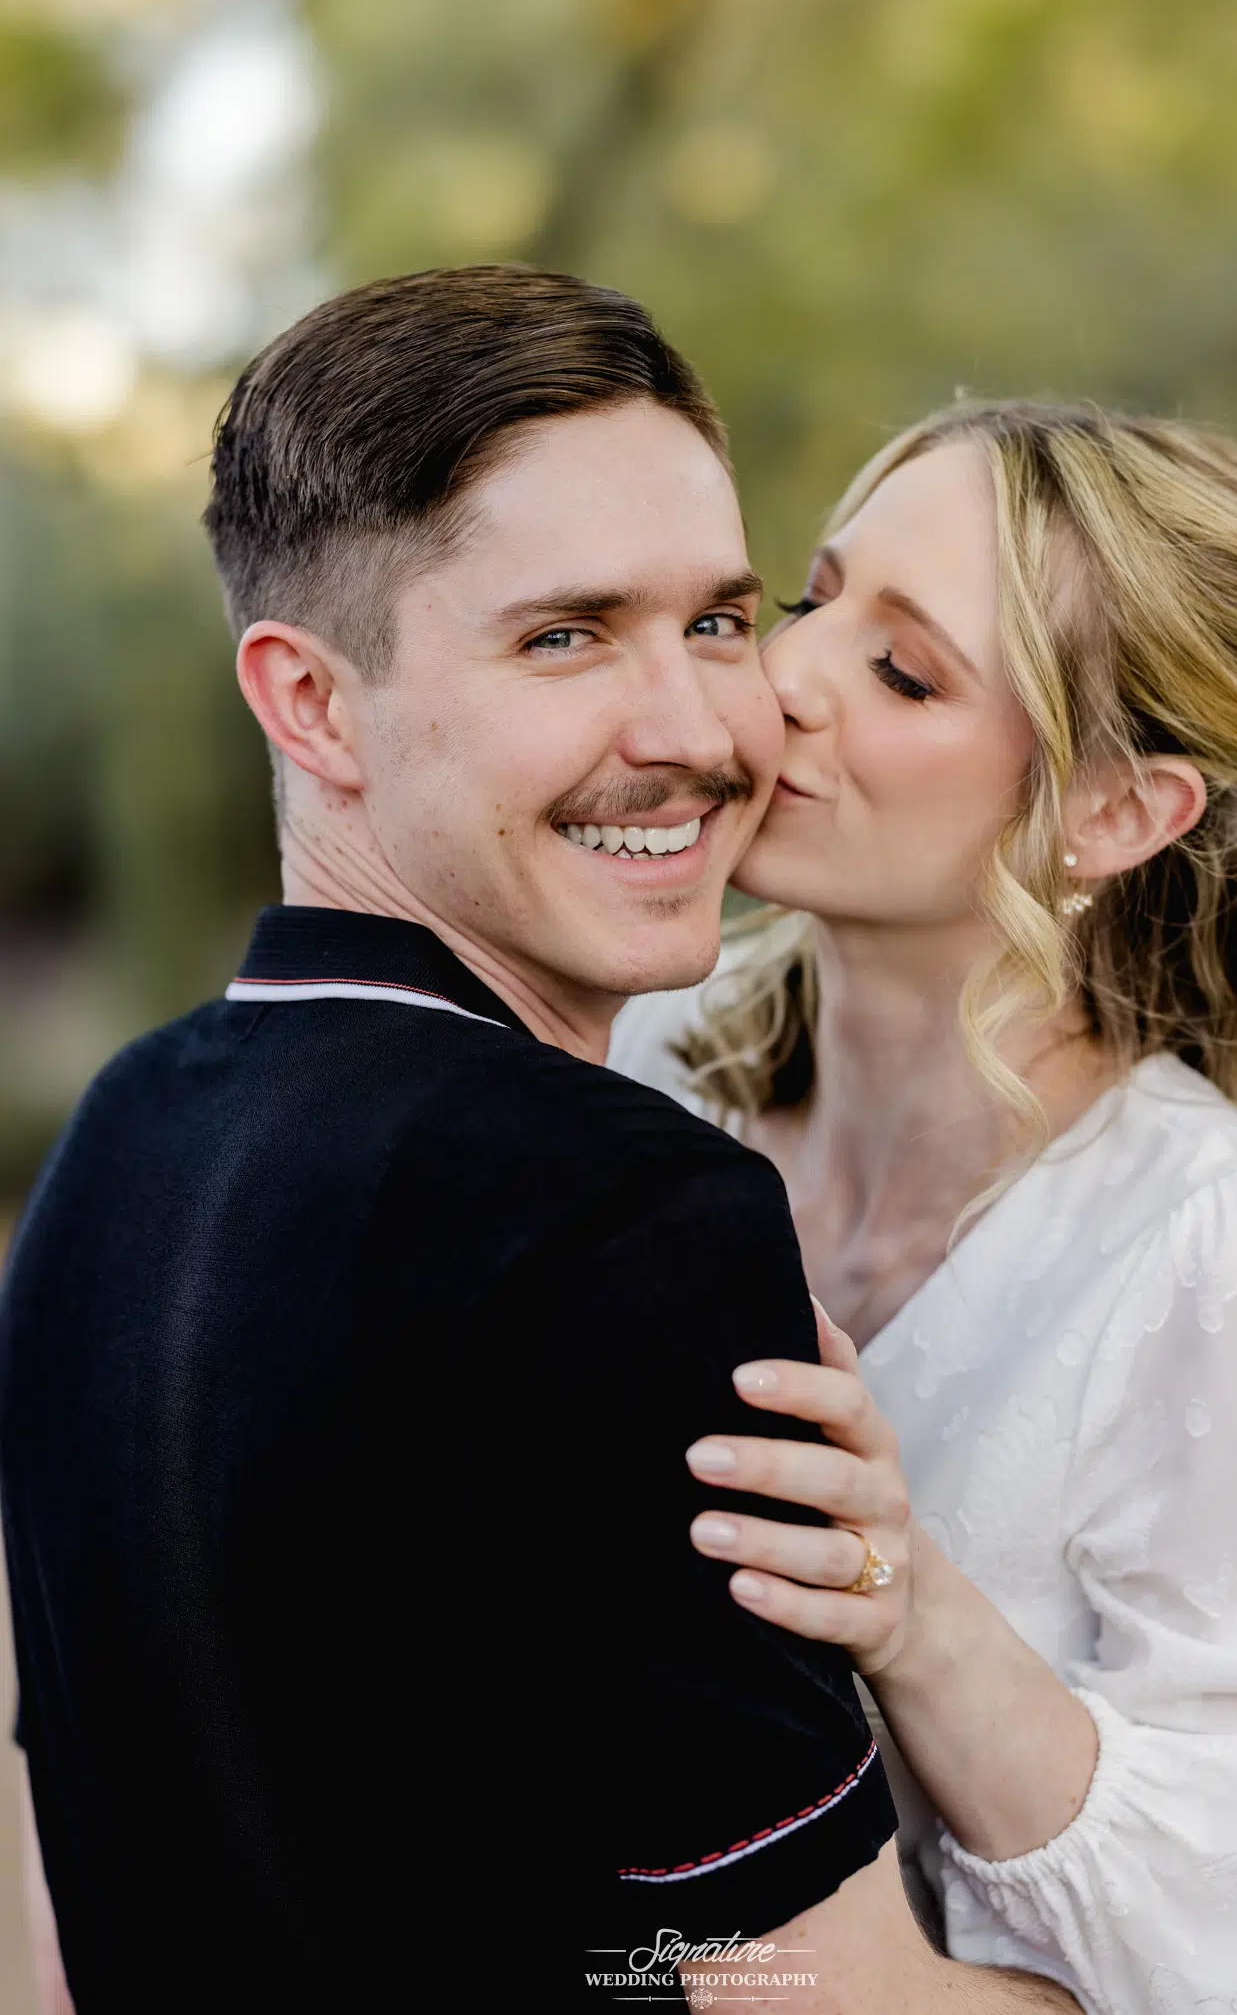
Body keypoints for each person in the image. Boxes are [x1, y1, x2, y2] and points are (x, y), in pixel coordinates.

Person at [0, 273, 1080, 2013]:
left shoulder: (113, 1148)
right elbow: (788, 2001)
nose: (698, 734)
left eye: (721, 622)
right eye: (565, 637)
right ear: (311, 704)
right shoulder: (631, 1211)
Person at [610, 400, 1237, 2013]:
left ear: (1117, 812)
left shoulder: (1229, 1257)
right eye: (812, 599)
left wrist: (909, 1607)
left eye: (905, 672)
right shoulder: (643, 1065)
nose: (787, 681)